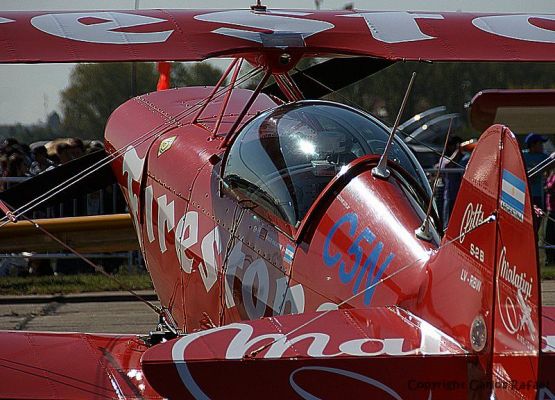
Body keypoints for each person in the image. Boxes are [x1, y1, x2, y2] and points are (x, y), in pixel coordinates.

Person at [522, 133, 549, 210]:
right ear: (533, 145)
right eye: (540, 144)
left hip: (538, 194)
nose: (542, 146)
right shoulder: (523, 155)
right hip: (524, 193)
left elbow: (551, 163)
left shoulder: (543, 157)